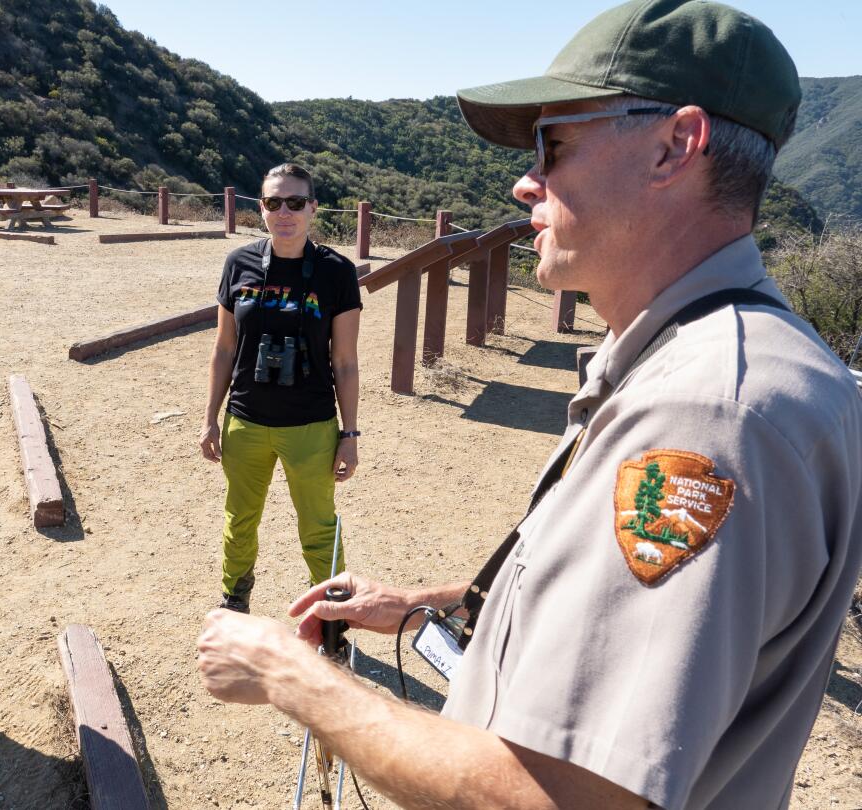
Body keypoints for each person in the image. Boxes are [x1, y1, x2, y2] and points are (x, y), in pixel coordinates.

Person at [197, 2, 862, 807]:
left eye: (554, 143)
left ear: (674, 146)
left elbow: (566, 796)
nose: (525, 180)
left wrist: (292, 678)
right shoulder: (707, 359)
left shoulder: (709, 413)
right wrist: (431, 604)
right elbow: (612, 623)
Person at [199, 163, 361, 614]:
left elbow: (345, 363)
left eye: (295, 202)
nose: (284, 212)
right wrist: (210, 418)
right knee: (240, 521)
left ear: (312, 208)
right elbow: (224, 348)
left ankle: (333, 617)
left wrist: (349, 434)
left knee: (319, 527)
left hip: (311, 424)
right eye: (274, 202)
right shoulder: (240, 263)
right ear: (261, 208)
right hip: (245, 420)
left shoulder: (336, 272)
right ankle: (236, 600)